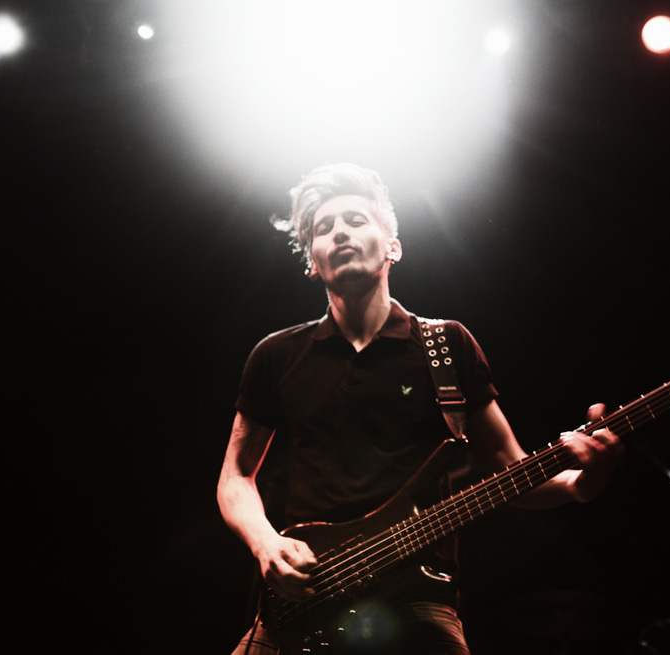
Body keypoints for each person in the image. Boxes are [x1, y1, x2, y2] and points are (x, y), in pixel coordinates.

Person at [217, 163, 624, 654]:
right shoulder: (276, 355)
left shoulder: (447, 345)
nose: (339, 232)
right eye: (323, 228)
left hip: (417, 596)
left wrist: (581, 484)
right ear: (313, 264)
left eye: (355, 220)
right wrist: (266, 543)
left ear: (393, 247)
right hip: (308, 594)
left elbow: (511, 472)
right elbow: (235, 476)